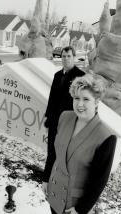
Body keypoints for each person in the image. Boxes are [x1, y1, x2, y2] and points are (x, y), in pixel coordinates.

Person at [42, 74, 117, 214]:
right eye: (76, 98)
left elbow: (99, 181)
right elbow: (54, 152)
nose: (79, 104)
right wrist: (46, 178)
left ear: (96, 102)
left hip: (74, 204)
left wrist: (81, 209)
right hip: (54, 192)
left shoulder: (106, 137)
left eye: (86, 99)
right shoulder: (64, 117)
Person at [43, 46, 85, 181]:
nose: (66, 59)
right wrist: (48, 117)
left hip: (69, 121)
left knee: (64, 151)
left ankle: (61, 178)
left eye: (69, 56)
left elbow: (81, 102)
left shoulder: (80, 76)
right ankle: (47, 177)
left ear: (74, 57)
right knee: (51, 150)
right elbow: (52, 98)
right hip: (55, 119)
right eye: (64, 56)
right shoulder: (57, 75)